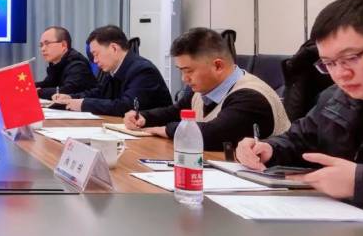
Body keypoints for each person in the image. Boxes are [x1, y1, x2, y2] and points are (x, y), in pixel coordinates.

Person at [236, 0, 363, 208]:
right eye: (329, 63)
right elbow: (299, 141)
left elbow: (358, 180)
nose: (340, 74)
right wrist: (269, 149)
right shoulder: (335, 99)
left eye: (351, 58)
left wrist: (361, 182)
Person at [123, 28, 291, 150]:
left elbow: (213, 135)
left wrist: (165, 129)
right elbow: (176, 112)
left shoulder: (251, 97)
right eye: (181, 71)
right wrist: (144, 117)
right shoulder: (203, 90)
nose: (184, 79)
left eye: (189, 71)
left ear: (218, 66)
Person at [53, 25, 172, 116]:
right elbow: (99, 93)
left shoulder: (143, 71)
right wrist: (71, 98)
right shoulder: (113, 69)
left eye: (96, 54)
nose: (95, 60)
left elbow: (126, 106)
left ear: (114, 48)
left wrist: (83, 104)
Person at [35, 26, 97, 99]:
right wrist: (28, 87)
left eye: (47, 43)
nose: (43, 49)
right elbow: (48, 84)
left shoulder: (77, 65)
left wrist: (38, 92)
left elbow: (67, 91)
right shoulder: (57, 64)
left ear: (63, 45)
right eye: (41, 45)